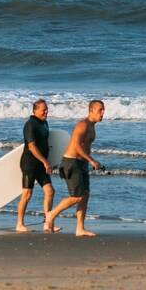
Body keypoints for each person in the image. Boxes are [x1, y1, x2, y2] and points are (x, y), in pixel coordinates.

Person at [43, 99, 105, 236]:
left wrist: (88, 162)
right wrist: (92, 160)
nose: (103, 113)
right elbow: (76, 146)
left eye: (103, 110)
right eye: (100, 110)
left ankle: (80, 228)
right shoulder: (82, 125)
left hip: (82, 164)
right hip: (71, 163)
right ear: (91, 110)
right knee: (77, 196)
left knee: (85, 195)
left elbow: (85, 147)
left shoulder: (92, 127)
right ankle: (51, 215)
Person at [16, 99, 55, 232]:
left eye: (47, 109)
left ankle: (47, 223)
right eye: (43, 109)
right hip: (30, 164)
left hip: (41, 163)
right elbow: (32, 147)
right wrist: (45, 161)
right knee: (27, 194)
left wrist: (47, 149)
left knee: (50, 191)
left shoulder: (44, 123)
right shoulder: (30, 125)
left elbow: (41, 141)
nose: (46, 112)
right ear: (35, 110)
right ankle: (20, 224)